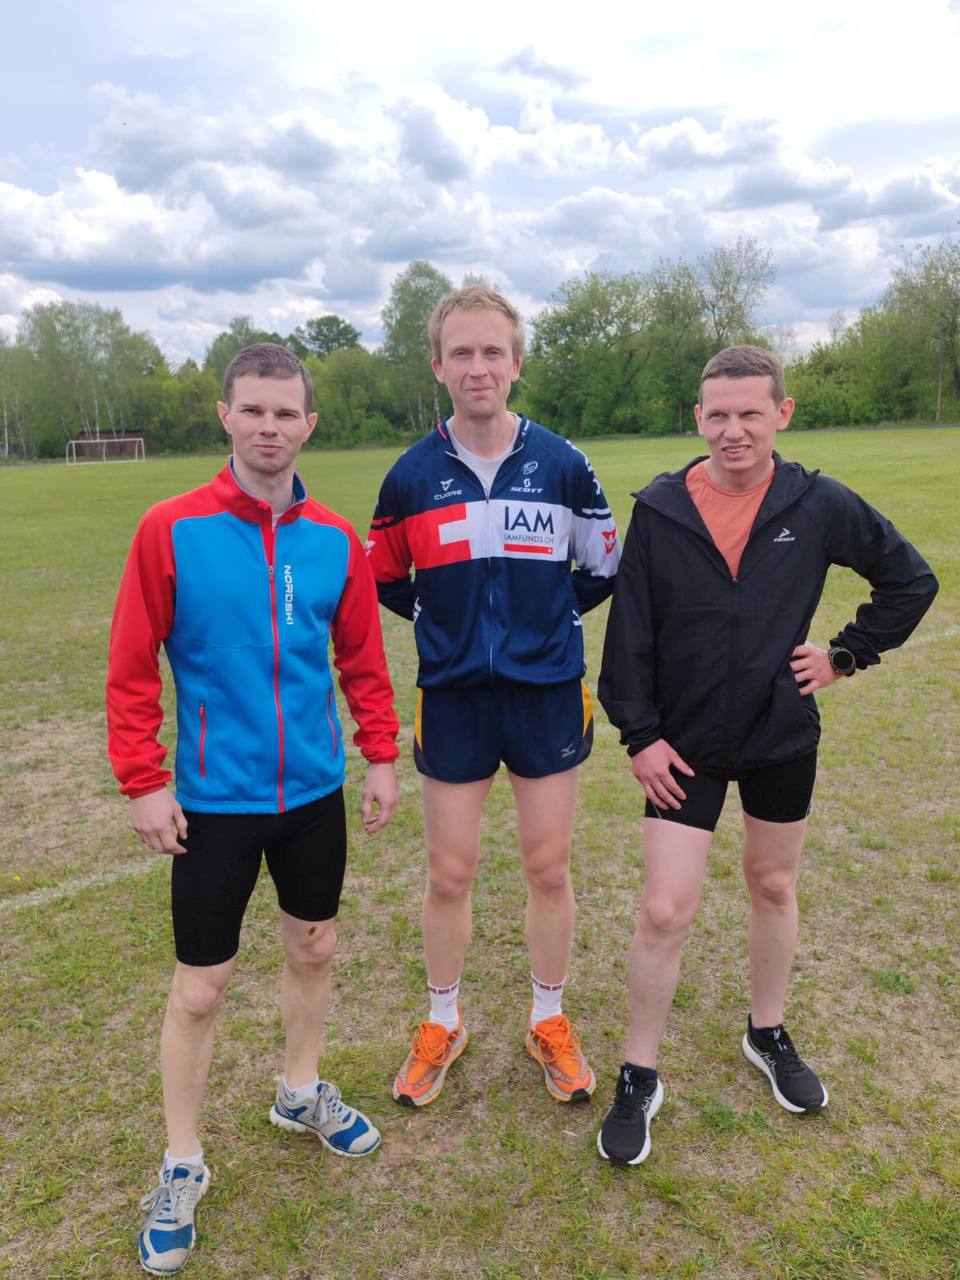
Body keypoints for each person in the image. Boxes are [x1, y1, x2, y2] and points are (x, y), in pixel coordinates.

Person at [595, 344, 938, 1166]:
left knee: (773, 883)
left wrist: (846, 655)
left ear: (782, 413)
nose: (734, 430)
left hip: (779, 731)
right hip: (682, 744)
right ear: (698, 418)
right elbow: (629, 633)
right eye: (718, 414)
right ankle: (639, 1074)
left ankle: (768, 1032)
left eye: (751, 412)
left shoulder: (816, 503)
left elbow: (910, 580)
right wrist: (641, 737)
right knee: (665, 910)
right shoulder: (662, 509)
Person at [106, 343, 400, 1275]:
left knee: (315, 946)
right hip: (212, 804)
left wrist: (381, 755)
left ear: (309, 423)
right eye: (254, 411)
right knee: (201, 987)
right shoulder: (171, 528)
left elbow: (362, 660)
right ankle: (181, 1162)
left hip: (313, 794)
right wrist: (144, 780)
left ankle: (299, 1091)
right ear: (225, 416)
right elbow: (131, 666)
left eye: (286, 413)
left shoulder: (336, 539)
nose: (270, 427)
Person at [367, 284, 621, 1109]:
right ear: (438, 367)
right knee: (450, 872)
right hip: (453, 699)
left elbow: (603, 567)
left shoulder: (564, 464)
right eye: (461, 353)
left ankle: (548, 1016)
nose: (478, 367)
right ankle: (443, 1020)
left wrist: (543, 623)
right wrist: (445, 624)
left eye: (492, 352)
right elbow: (384, 577)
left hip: (546, 694)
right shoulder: (410, 476)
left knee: (548, 866)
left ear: (516, 364)